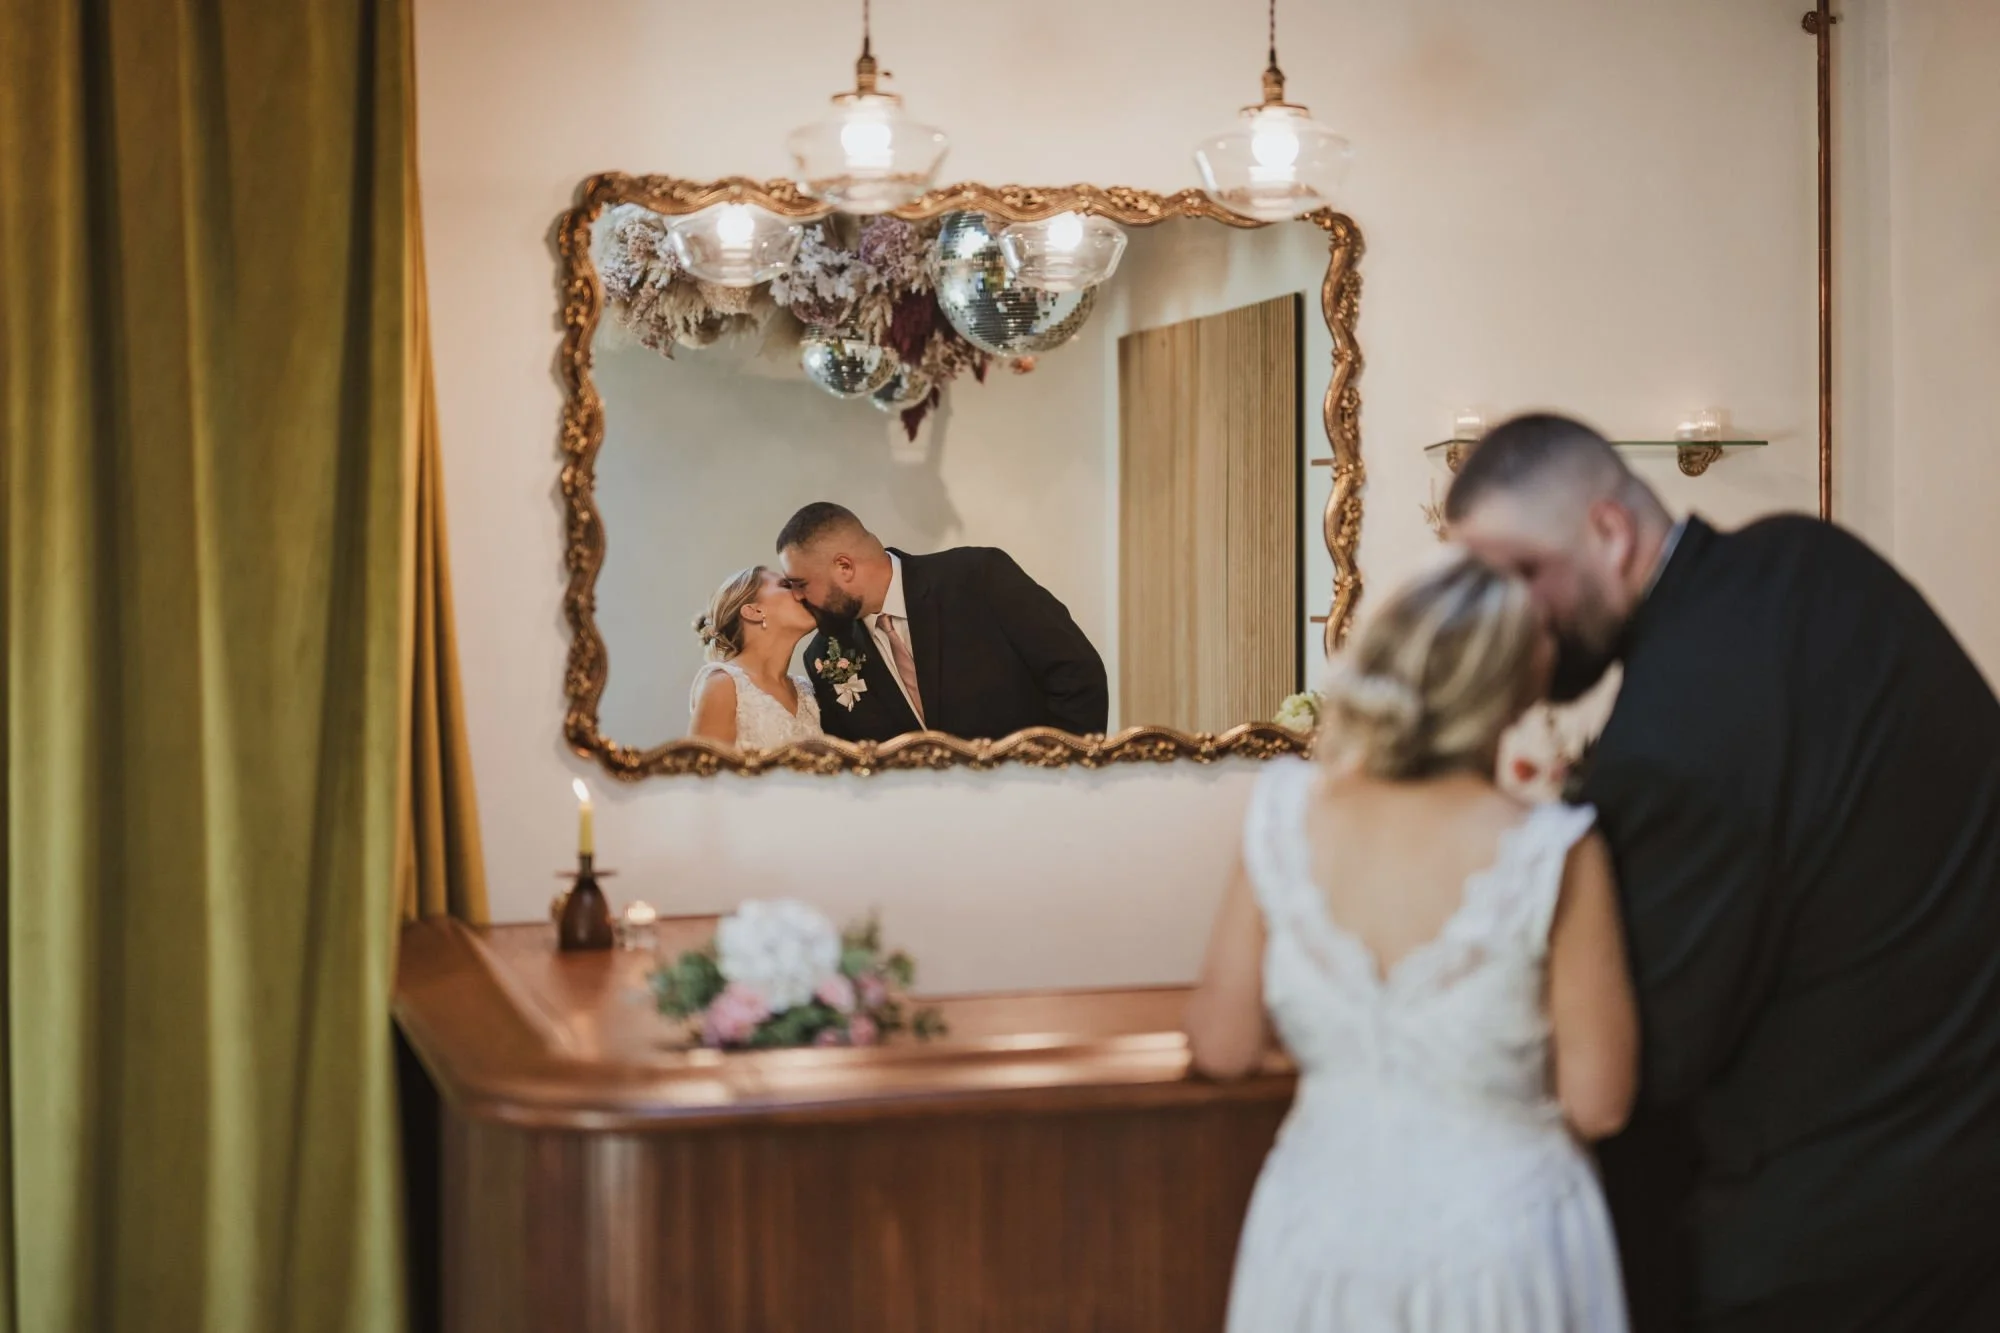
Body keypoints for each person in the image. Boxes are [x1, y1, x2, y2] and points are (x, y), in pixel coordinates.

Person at [1446, 412, 2000, 1332]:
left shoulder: (1664, 742)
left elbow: (1647, 1060)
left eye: (1523, 576)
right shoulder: (1815, 560)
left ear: (1610, 532)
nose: (1509, 620)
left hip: (1838, 1240)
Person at [1186, 553, 1637, 1331]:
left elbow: (1223, 1046)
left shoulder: (1283, 817)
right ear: (1514, 693)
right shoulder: (1552, 852)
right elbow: (1597, 1103)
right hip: (1503, 1239)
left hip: (1320, 1230)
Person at [773, 502, 1110, 741]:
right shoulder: (825, 656)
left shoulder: (978, 577)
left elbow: (1076, 674)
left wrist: (1060, 777)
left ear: (844, 567)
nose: (798, 596)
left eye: (801, 583)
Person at [687, 566, 824, 750]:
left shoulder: (806, 691)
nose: (801, 593)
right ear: (754, 611)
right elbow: (703, 773)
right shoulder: (724, 685)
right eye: (785, 585)